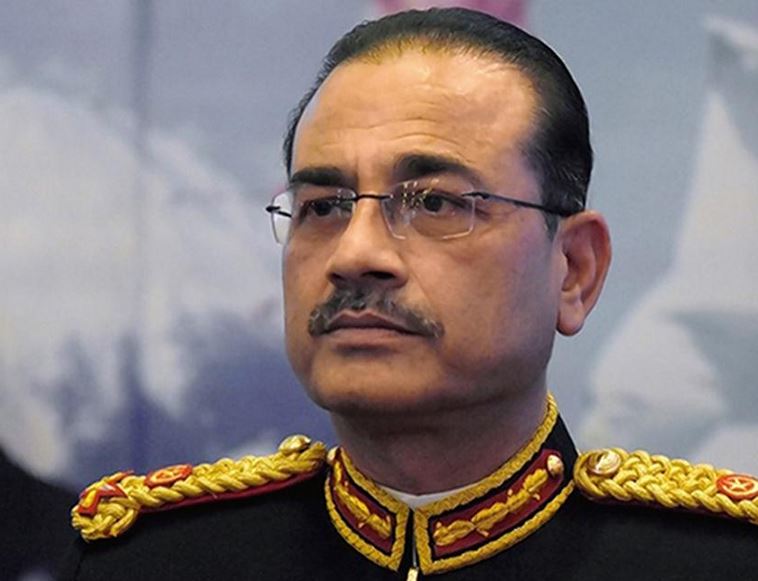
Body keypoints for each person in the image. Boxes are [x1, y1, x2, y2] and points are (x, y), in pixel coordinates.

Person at [60, 8, 758, 580]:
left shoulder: (717, 561)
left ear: (574, 269)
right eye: (323, 207)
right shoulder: (158, 561)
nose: (355, 254)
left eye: (435, 203)